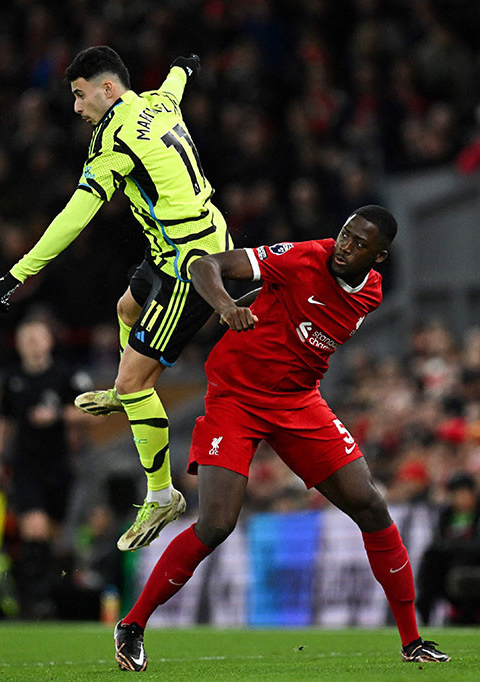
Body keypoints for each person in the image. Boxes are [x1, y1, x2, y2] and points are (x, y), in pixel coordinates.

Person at [113, 206, 450, 672]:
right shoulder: (304, 256)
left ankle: (412, 640)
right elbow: (204, 265)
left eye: (358, 244)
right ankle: (131, 625)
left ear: (380, 256)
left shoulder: (370, 291)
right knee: (216, 524)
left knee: (370, 504)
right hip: (236, 397)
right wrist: (228, 306)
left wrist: (264, 301)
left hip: (297, 401)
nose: (344, 247)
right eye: (344, 234)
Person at [0, 46, 232, 551]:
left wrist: (20, 272)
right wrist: (185, 65)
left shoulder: (115, 141)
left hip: (191, 266)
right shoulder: (157, 104)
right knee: (126, 307)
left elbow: (74, 218)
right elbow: (175, 85)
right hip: (186, 243)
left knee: (137, 380)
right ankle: (126, 395)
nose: (76, 108)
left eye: (80, 96)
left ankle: (162, 493)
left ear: (107, 89)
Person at [0, 317, 91, 616]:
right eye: (27, 339)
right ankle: (37, 601)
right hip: (26, 465)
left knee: (52, 532)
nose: (33, 344)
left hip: (59, 464)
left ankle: (48, 592)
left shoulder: (66, 376)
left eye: (38, 338)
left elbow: (92, 412)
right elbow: (3, 421)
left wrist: (58, 416)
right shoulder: (11, 379)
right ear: (19, 345)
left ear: (49, 342)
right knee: (32, 527)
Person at [416, 471, 480, 625]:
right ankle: (424, 618)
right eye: (456, 494)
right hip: (449, 569)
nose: (460, 499)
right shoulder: (445, 516)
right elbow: (437, 545)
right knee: (430, 563)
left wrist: (452, 547)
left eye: (464, 493)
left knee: (460, 575)